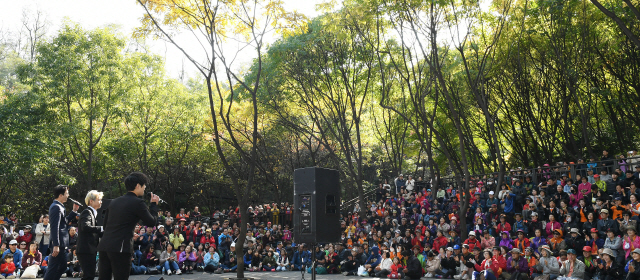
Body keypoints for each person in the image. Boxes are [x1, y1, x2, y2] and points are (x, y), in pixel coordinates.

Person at [97, 172, 159, 280]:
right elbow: (151, 223)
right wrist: (154, 205)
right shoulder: (138, 202)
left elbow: (106, 224)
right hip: (120, 246)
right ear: (137, 186)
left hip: (104, 245)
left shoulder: (113, 202)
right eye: (144, 186)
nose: (144, 188)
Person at [44, 185, 70, 280]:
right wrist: (56, 245)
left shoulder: (59, 206)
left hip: (62, 243)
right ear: (60, 195)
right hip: (58, 243)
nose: (68, 195)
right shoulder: (56, 207)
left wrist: (74, 211)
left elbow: (64, 223)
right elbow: (55, 227)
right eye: (67, 193)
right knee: (53, 268)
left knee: (63, 266)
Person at [77, 190, 103, 280]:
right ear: (91, 201)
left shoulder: (92, 213)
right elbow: (85, 227)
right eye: (99, 199)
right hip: (86, 250)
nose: (101, 202)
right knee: (88, 276)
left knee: (89, 276)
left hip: (89, 250)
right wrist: (101, 228)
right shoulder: (87, 212)